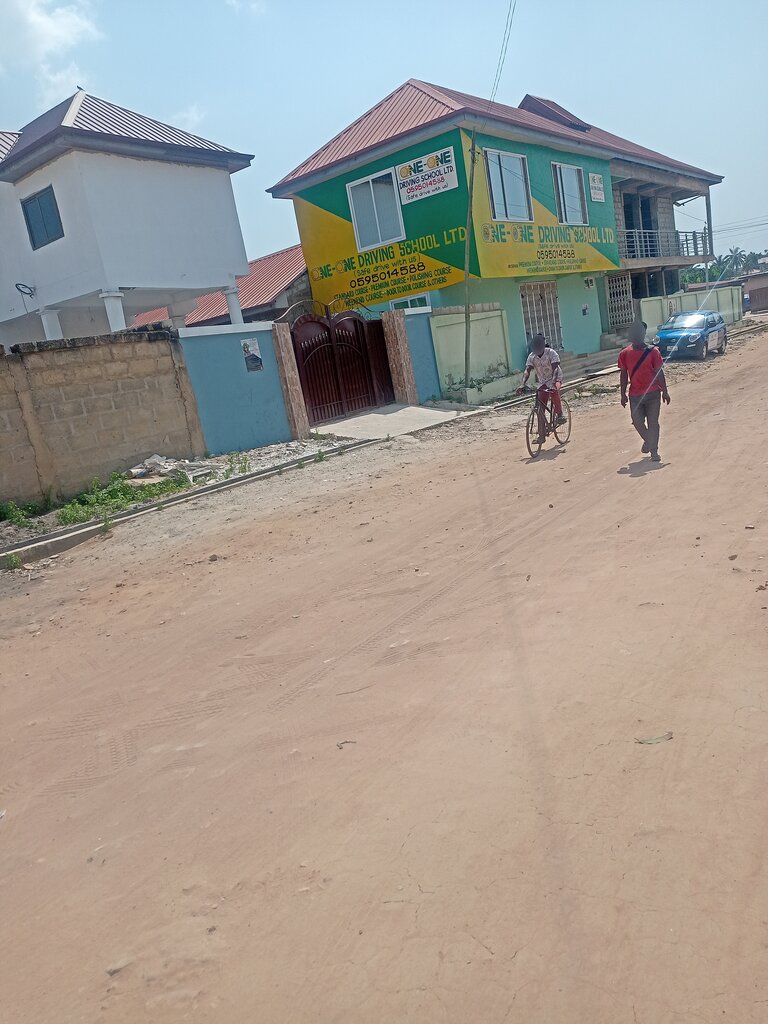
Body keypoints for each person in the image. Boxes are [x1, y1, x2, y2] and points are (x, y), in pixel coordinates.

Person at [618, 321, 670, 462]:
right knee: (637, 421)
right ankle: (649, 441)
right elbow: (623, 375)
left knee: (653, 423)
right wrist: (622, 394)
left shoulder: (653, 352)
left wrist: (665, 391)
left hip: (653, 394)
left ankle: (654, 451)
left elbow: (659, 372)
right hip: (635, 395)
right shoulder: (624, 354)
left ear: (643, 334)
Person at [517, 333, 565, 443]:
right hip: (543, 381)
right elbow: (527, 371)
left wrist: (553, 382)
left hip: (555, 377)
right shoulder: (532, 357)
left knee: (554, 391)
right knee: (540, 409)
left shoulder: (551, 353)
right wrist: (522, 384)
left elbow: (556, 369)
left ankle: (560, 414)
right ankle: (541, 435)